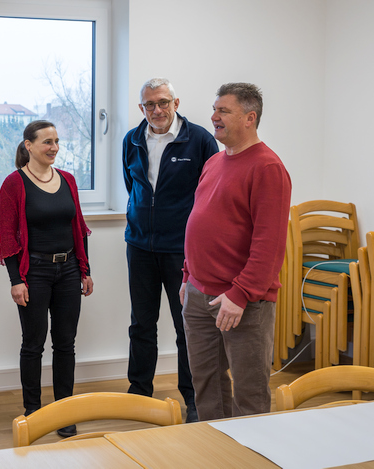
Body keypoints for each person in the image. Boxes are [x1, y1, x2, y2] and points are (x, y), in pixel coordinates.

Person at [179, 83, 291, 421]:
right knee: (206, 385)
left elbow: (269, 245)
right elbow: (200, 223)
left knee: (249, 393)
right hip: (198, 293)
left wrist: (240, 294)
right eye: (214, 110)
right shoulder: (214, 162)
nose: (214, 117)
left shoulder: (268, 167)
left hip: (243, 301)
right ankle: (215, 447)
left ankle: (250, 450)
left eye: (223, 111)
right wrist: (188, 276)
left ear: (249, 118)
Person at [123, 78, 218, 423]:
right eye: (150, 104)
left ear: (176, 103)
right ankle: (139, 394)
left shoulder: (200, 140)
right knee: (141, 324)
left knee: (187, 326)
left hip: (182, 250)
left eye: (163, 102)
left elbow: (212, 193)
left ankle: (194, 399)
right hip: (140, 246)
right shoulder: (132, 139)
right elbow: (132, 186)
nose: (157, 110)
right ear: (142, 108)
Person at [0, 120, 94, 438]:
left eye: (56, 141)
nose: (54, 147)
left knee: (66, 344)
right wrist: (16, 280)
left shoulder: (68, 179)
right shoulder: (14, 184)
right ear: (29, 146)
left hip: (68, 270)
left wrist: (85, 270)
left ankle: (64, 412)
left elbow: (78, 227)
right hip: (34, 273)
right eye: (47, 142)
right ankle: (33, 413)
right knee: (33, 344)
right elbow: (8, 237)